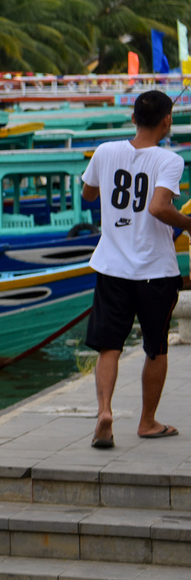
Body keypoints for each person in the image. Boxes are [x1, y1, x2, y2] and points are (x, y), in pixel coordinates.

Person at [80, 90, 191, 448]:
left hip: (112, 266)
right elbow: (159, 207)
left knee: (108, 346)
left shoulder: (105, 151)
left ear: (133, 118)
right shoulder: (170, 160)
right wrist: (187, 223)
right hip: (155, 271)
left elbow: (88, 194)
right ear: (166, 121)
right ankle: (146, 422)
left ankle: (104, 414)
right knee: (155, 347)